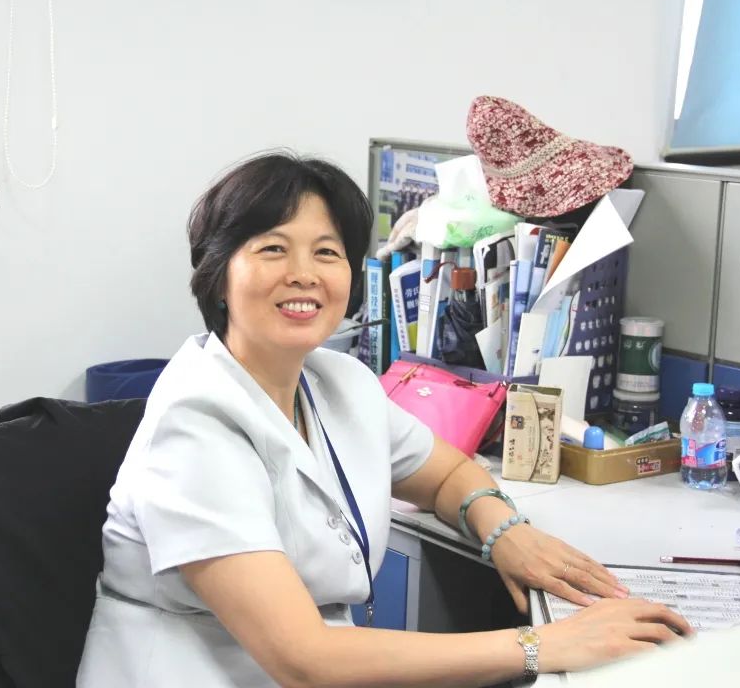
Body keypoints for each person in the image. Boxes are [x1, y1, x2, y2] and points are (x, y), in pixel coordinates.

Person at [76, 151, 691, 687]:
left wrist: (505, 531)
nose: (304, 274)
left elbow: (446, 475)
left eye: (327, 252)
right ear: (217, 278)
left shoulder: (338, 382)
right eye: (272, 249)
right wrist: (540, 646)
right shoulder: (193, 426)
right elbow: (304, 659)